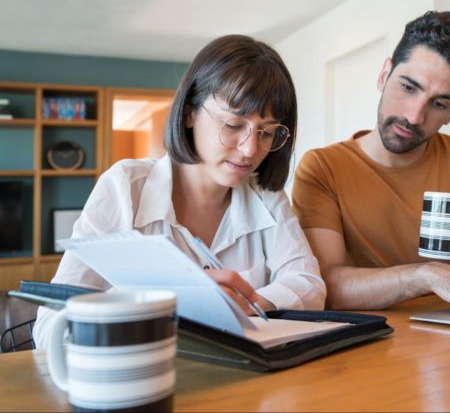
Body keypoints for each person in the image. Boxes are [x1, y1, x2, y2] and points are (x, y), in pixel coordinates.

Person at [34, 35, 326, 348]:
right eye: (232, 124)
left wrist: (248, 302)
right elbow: (50, 325)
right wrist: (172, 303)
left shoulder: (266, 196)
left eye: (267, 132)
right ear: (189, 113)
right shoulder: (125, 187)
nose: (250, 149)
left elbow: (309, 285)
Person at [292, 11, 450, 320]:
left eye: (439, 103)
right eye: (408, 87)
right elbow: (324, 286)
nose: (413, 116)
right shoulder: (323, 167)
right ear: (384, 73)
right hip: (368, 344)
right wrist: (426, 276)